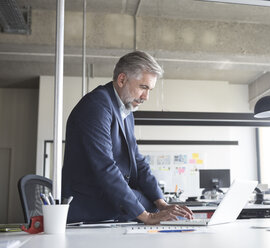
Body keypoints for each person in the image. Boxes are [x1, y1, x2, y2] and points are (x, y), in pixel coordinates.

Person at [62, 51, 193, 225]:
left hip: (108, 204)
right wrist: (146, 216)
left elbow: (138, 161)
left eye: (149, 90)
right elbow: (105, 167)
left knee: (151, 204)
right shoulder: (96, 106)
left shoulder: (125, 112)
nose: (146, 97)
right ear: (122, 79)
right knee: (145, 207)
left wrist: (161, 203)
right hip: (88, 208)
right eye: (143, 87)